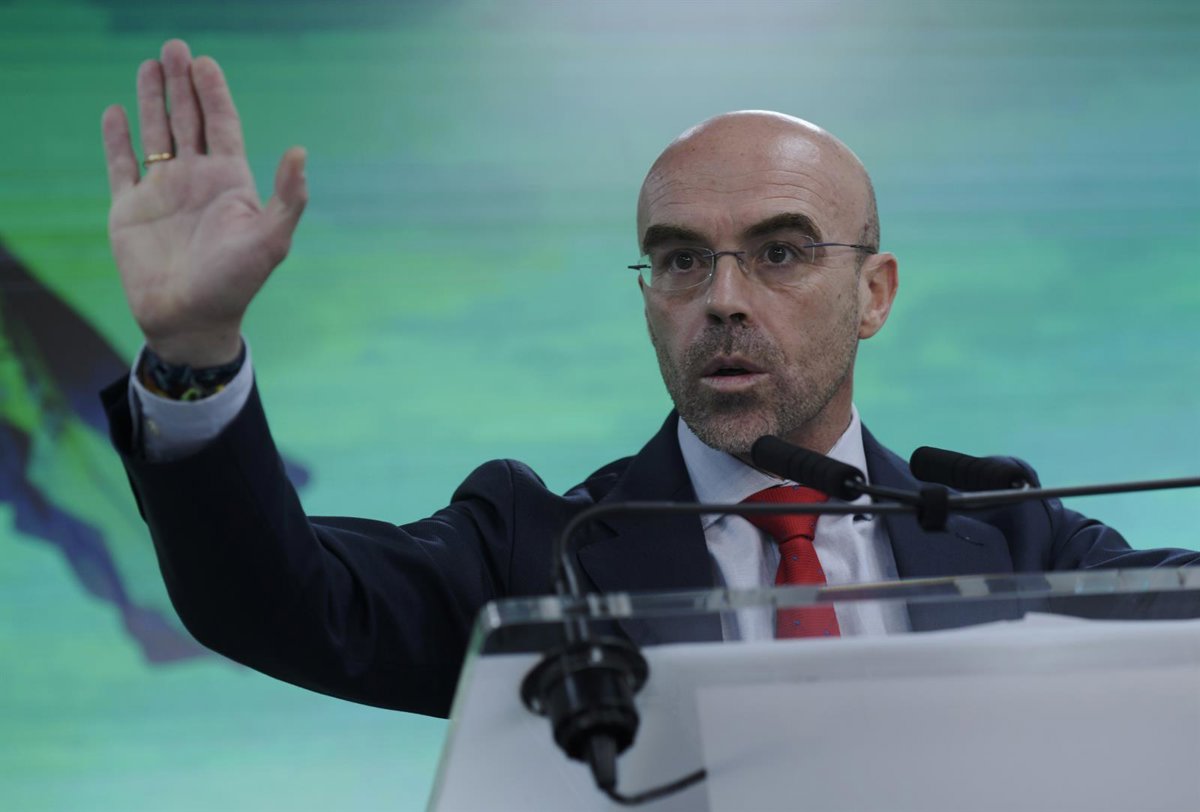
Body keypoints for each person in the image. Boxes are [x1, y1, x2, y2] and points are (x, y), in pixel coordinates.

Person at [99, 40, 1200, 718]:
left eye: (779, 251)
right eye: (679, 260)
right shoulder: (542, 552)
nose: (721, 298)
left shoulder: (1008, 534)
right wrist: (195, 351)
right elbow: (279, 599)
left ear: (874, 293)